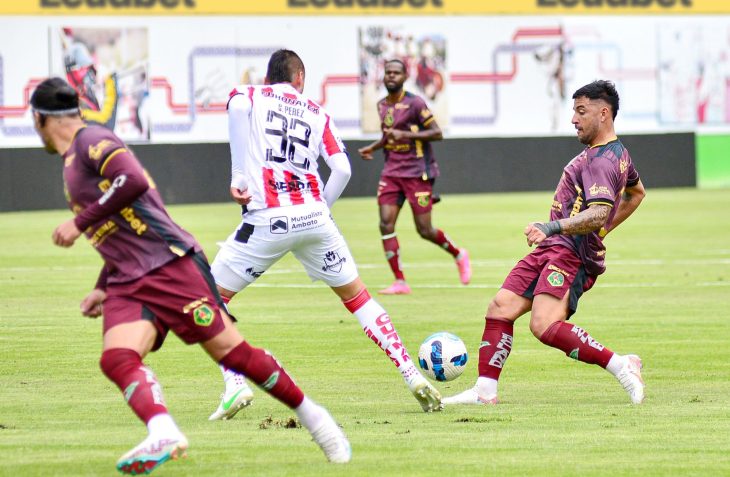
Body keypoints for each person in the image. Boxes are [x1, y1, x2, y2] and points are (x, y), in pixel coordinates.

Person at [30, 77, 351, 475]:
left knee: (233, 354)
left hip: (169, 264)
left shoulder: (91, 141)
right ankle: (163, 431)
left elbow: (132, 181)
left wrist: (78, 222)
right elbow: (120, 229)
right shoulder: (71, 161)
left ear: (40, 118)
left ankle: (315, 418)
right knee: (117, 358)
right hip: (128, 277)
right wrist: (101, 287)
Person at [206, 49, 443, 421]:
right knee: (359, 299)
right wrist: (322, 210)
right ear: (300, 78)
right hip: (315, 218)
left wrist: (238, 176)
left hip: (268, 218)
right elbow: (342, 169)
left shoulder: (250, 94)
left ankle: (235, 383)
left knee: (209, 298)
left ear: (268, 78)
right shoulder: (317, 112)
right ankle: (411, 373)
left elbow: (236, 108)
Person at [444, 80, 647, 406]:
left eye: (581, 111)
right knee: (500, 308)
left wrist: (557, 227)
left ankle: (621, 365)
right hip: (554, 248)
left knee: (543, 325)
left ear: (604, 114)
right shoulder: (616, 154)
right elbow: (636, 193)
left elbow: (598, 212)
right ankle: (484, 391)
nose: (574, 119)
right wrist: (601, 229)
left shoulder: (602, 160)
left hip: (571, 253)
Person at [357, 59, 470, 295]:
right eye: (388, 72)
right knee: (385, 224)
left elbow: (437, 133)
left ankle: (459, 254)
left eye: (396, 73)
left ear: (405, 77)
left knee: (424, 230)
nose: (391, 76)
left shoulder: (415, 103)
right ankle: (400, 281)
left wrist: (406, 135)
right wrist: (373, 148)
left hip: (417, 172)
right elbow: (389, 136)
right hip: (391, 173)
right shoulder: (381, 105)